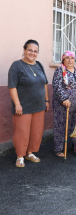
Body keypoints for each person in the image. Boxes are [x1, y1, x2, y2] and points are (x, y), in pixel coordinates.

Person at [8, 39, 49, 168]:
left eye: (35, 51)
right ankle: (20, 156)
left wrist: (46, 100)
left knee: (36, 131)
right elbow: (12, 86)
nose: (32, 53)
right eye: (30, 50)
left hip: (39, 106)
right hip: (23, 106)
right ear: (24, 50)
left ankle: (30, 153)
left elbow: (44, 84)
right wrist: (17, 104)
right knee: (22, 132)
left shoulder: (39, 65)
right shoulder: (17, 66)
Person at [52, 51, 76, 158]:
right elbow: (57, 85)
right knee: (61, 125)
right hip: (64, 104)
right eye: (67, 58)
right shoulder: (60, 70)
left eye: (72, 58)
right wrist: (64, 99)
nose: (70, 60)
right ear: (63, 60)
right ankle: (59, 148)